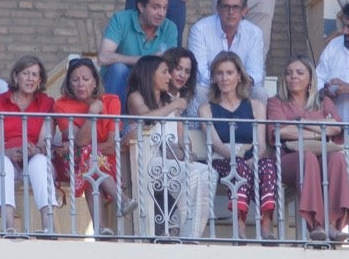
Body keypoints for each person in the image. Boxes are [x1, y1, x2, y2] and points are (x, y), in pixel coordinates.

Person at [127, 54, 214, 238]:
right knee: (191, 174)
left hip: (172, 160)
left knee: (208, 173)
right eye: (165, 72)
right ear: (150, 74)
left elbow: (181, 135)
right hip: (150, 160)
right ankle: (180, 228)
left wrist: (187, 151)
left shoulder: (169, 99)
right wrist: (174, 105)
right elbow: (147, 117)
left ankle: (190, 232)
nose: (169, 77)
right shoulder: (136, 97)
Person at [267, 56, 349, 243]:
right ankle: (316, 225)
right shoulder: (276, 102)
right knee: (308, 158)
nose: (293, 77)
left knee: (337, 158)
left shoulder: (323, 102)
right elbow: (282, 132)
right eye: (289, 73)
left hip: (321, 156)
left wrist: (302, 122)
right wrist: (318, 132)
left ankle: (333, 225)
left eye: (299, 72)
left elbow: (336, 127)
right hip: (287, 159)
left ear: (311, 79)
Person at [52, 57, 137, 235]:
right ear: (68, 83)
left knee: (91, 164)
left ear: (95, 81)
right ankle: (120, 199)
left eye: (86, 79)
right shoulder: (61, 105)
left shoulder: (112, 101)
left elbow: (112, 145)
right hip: (72, 165)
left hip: (105, 163)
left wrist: (81, 147)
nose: (80, 84)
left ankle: (101, 229)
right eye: (75, 80)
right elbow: (80, 142)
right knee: (89, 156)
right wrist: (92, 115)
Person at [198, 51, 276, 240]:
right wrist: (236, 159)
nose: (225, 78)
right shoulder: (206, 109)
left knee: (267, 165)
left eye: (229, 73)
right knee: (239, 167)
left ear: (239, 76)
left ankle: (266, 225)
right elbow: (215, 142)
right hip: (223, 160)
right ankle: (239, 226)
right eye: (219, 73)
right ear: (214, 78)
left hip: (252, 158)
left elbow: (262, 144)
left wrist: (251, 160)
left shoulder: (256, 106)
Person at [0, 56, 56, 234]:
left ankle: (48, 227)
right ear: (15, 77)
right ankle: (9, 227)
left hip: (30, 160)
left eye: (35, 75)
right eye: (26, 74)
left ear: (40, 80)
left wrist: (35, 149)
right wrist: (3, 151)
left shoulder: (46, 103)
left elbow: (45, 140)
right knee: (2, 163)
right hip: (0, 156)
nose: (30, 79)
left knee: (39, 161)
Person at [97, 0, 177, 108]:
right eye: (156, 7)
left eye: (165, 7)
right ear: (141, 6)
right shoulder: (121, 20)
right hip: (119, 82)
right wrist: (140, 60)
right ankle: (113, 123)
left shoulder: (170, 27)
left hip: (149, 84)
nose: (161, 13)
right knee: (119, 69)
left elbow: (171, 65)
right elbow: (103, 57)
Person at [188, 0, 266, 104]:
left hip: (241, 87)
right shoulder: (199, 29)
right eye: (226, 7)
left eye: (236, 7)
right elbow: (199, 71)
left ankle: (257, 124)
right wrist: (223, 82)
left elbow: (256, 72)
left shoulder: (254, 33)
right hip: (211, 86)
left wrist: (234, 84)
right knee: (199, 90)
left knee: (259, 93)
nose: (231, 12)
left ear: (244, 11)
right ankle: (204, 124)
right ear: (218, 9)